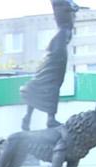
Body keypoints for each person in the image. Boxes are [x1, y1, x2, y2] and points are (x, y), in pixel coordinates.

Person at [19, 0, 78, 130]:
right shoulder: (60, 5)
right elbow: (66, 7)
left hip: (59, 51)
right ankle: (47, 119)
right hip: (58, 50)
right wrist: (74, 7)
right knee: (49, 84)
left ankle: (33, 117)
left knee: (50, 83)